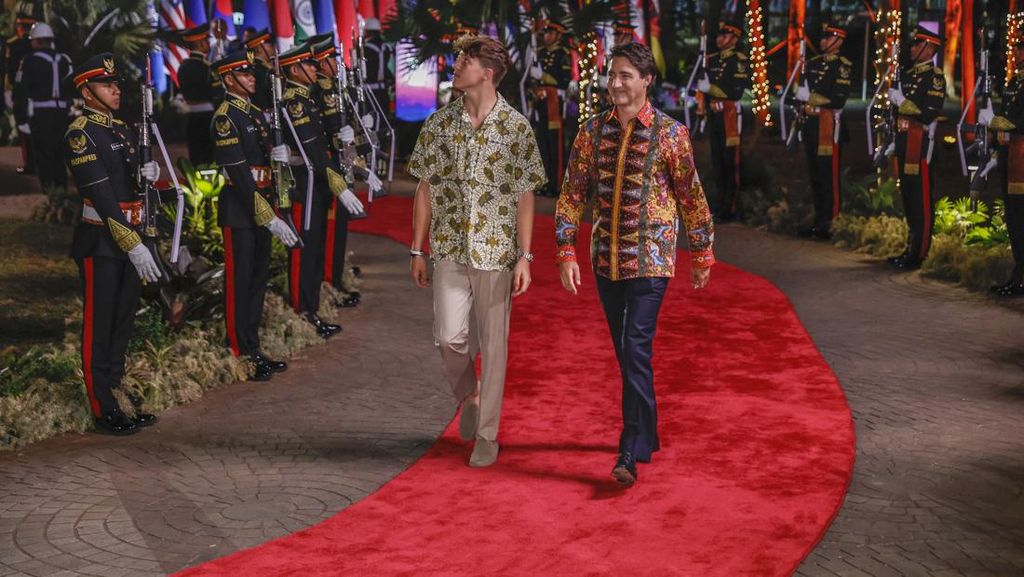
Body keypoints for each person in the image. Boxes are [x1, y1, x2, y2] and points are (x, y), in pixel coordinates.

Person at [555, 43, 715, 488]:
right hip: (605, 258)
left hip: (651, 259)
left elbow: (691, 197)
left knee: (635, 348)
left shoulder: (670, 134)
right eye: (612, 75)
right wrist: (565, 249)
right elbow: (572, 193)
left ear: (647, 81)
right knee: (626, 353)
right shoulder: (591, 132)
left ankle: (628, 448)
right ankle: (648, 433)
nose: (616, 83)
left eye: (626, 75)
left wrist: (701, 251)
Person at [408, 35, 546, 467]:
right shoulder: (438, 124)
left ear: (486, 73)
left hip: (497, 252)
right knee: (448, 336)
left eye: (464, 61)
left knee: (495, 346)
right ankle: (469, 392)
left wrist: (526, 255)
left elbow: (526, 194)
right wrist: (416, 249)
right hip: (449, 246)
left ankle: (487, 435)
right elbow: (424, 189)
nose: (455, 66)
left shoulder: (516, 127)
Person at [65, 53, 162, 435]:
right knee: (99, 325)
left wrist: (146, 174)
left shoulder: (120, 129)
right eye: (107, 85)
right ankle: (102, 407)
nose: (116, 89)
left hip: (129, 239)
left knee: (122, 322)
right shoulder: (81, 134)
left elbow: (129, 187)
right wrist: (132, 243)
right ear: (88, 92)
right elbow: (102, 198)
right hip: (102, 244)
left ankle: (117, 393)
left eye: (116, 83)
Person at [211, 49, 300, 380]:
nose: (252, 78)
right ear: (229, 80)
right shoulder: (226, 118)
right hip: (240, 210)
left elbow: (265, 165)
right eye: (244, 74)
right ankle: (239, 351)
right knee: (240, 282)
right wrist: (269, 217)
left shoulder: (256, 114)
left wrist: (284, 154)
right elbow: (240, 176)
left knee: (257, 281)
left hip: (261, 206)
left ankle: (253, 346)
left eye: (251, 74)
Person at [279, 42, 345, 338]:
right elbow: (314, 150)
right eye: (309, 65)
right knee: (303, 253)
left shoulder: (308, 99)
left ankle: (312, 309)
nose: (315, 68)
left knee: (315, 249)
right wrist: (338, 183)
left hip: (315, 184)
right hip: (301, 186)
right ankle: (301, 313)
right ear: (294, 69)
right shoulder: (295, 102)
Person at [310, 34, 382, 304]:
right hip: (327, 168)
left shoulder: (338, 90)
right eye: (332, 59)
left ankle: (335, 278)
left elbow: (348, 138)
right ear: (320, 62)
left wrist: (359, 167)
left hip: (342, 163)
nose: (336, 64)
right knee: (328, 232)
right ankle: (328, 283)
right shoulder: (316, 93)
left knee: (339, 229)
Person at [886, 24, 946, 270]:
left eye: (916, 44)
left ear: (929, 47)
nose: (911, 48)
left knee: (920, 199)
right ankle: (911, 247)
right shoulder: (908, 75)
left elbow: (926, 114)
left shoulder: (935, 78)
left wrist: (902, 101)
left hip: (920, 145)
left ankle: (919, 253)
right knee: (909, 197)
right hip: (904, 142)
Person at [793, 23, 852, 239]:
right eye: (823, 38)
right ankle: (819, 221)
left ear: (839, 41)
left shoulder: (842, 66)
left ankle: (832, 223)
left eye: (828, 38)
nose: (823, 41)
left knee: (830, 177)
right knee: (816, 177)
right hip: (812, 127)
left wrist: (809, 98)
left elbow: (838, 99)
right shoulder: (813, 64)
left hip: (829, 128)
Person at [978, 31, 1024, 297]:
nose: (1016, 53)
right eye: (1016, 48)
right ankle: (1018, 274)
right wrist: (996, 151)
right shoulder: (1014, 83)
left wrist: (996, 121)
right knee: (1014, 220)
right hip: (1012, 158)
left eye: (1021, 49)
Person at [696, 18, 750, 221]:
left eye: (725, 35)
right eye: (719, 35)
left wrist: (710, 89)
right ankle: (720, 205)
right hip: (715, 117)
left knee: (730, 163)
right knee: (717, 162)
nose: (720, 39)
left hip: (730, 118)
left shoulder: (739, 60)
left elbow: (734, 92)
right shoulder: (712, 60)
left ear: (735, 39)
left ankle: (732, 207)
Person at [13, 22, 72, 191]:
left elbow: (21, 90)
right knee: (59, 153)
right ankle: (62, 188)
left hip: (40, 113)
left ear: (36, 41)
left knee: (43, 154)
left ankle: (49, 190)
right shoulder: (64, 60)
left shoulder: (29, 61)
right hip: (62, 114)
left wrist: (21, 117)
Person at [529, 20, 572, 198]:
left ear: (557, 35)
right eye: (544, 33)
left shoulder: (564, 55)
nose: (545, 36)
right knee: (542, 145)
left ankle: (556, 184)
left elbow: (563, 81)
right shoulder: (539, 53)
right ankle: (544, 183)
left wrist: (544, 76)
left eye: (549, 33)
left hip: (555, 105)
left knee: (555, 146)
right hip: (541, 104)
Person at [177, 23, 221, 165]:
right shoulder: (207, 67)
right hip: (208, 117)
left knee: (196, 156)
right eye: (206, 41)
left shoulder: (183, 67)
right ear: (200, 44)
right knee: (209, 157)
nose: (208, 44)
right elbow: (217, 94)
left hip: (191, 118)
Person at [4, 14, 35, 174]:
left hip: (22, 93)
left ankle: (30, 164)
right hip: (39, 94)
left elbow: (10, 71)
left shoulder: (14, 45)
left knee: (25, 131)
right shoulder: (37, 45)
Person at [244, 28, 275, 111]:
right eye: (271, 46)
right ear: (259, 48)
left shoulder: (263, 68)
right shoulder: (259, 71)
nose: (274, 49)